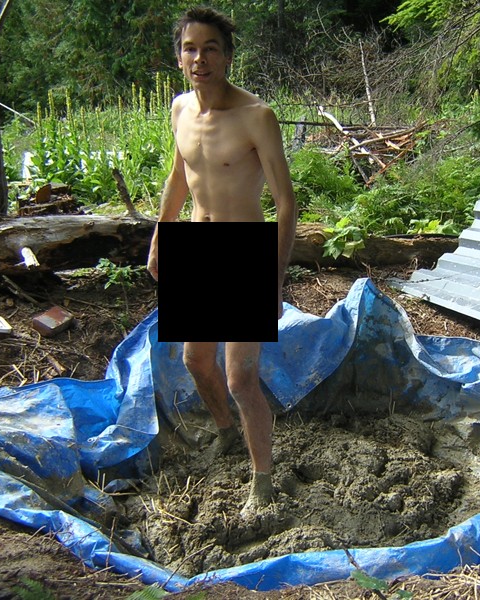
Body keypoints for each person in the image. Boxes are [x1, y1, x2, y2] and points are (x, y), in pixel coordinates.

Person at [147, 6, 297, 514]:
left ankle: (263, 480)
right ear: (179, 57)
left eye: (210, 48)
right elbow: (178, 176)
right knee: (195, 360)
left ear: (228, 56)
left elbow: (286, 203)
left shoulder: (257, 116)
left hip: (244, 253)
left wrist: (274, 281)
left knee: (240, 378)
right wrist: (160, 236)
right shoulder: (179, 109)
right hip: (196, 246)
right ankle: (226, 431)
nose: (200, 59)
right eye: (190, 49)